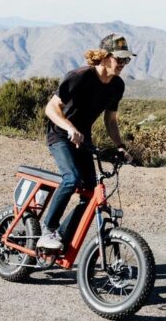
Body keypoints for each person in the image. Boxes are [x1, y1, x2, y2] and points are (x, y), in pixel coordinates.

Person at [36, 33, 135, 250]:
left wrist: (120, 147)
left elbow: (110, 120)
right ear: (104, 56)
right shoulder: (79, 77)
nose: (122, 64)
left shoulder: (117, 86)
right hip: (60, 135)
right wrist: (69, 128)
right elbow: (51, 108)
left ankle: (60, 238)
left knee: (90, 193)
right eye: (119, 58)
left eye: (126, 59)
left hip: (83, 139)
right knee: (71, 179)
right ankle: (48, 229)